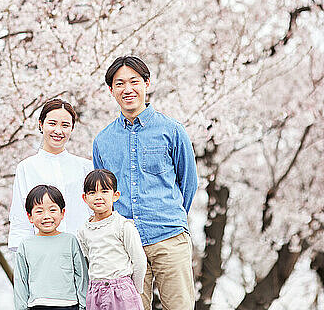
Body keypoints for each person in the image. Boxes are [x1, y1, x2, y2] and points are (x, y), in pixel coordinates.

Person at [92, 56, 198, 310]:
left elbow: (189, 183)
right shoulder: (103, 141)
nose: (127, 89)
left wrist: (169, 214)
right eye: (120, 84)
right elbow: (101, 194)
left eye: (134, 82)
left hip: (169, 237)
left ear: (146, 84)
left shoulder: (171, 130)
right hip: (124, 245)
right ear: (111, 90)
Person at [8, 98, 93, 251]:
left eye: (65, 125)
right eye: (52, 123)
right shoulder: (26, 168)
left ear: (72, 129)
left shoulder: (85, 167)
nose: (58, 131)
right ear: (41, 124)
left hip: (83, 250)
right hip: (42, 252)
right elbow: (20, 218)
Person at [77, 169, 146, 310]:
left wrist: (134, 290)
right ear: (84, 198)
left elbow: (139, 261)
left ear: (115, 196)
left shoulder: (123, 226)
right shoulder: (83, 231)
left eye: (104, 191)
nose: (98, 197)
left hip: (122, 291)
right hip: (95, 292)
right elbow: (88, 260)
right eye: (92, 192)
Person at [13, 184, 89, 310]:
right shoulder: (26, 245)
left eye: (52, 210)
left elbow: (81, 276)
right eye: (39, 211)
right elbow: (20, 281)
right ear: (29, 216)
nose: (46, 216)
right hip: (37, 306)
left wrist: (84, 306)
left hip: (69, 305)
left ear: (62, 213)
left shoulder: (70, 241)